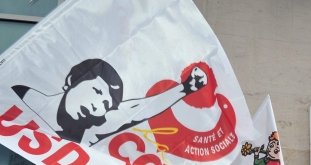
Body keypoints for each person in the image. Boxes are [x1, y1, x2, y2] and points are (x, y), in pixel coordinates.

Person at [12, 59, 208, 146]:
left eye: (106, 105)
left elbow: (142, 108)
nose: (97, 106)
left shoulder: (93, 131)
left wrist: (187, 88)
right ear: (72, 80)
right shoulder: (27, 98)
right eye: (97, 91)